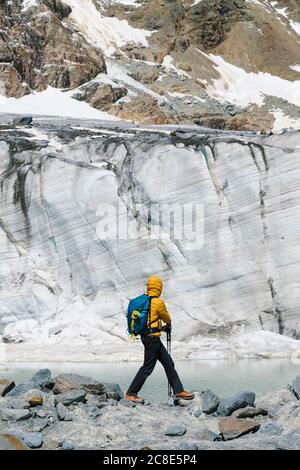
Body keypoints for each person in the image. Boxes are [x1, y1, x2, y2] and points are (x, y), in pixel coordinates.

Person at [125, 275, 194, 403]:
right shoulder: (157, 302)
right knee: (147, 368)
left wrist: (161, 329)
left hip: (149, 338)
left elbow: (151, 323)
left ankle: (178, 391)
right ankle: (131, 393)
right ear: (159, 287)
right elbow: (166, 317)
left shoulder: (143, 301)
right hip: (152, 340)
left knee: (168, 362)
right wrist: (168, 325)